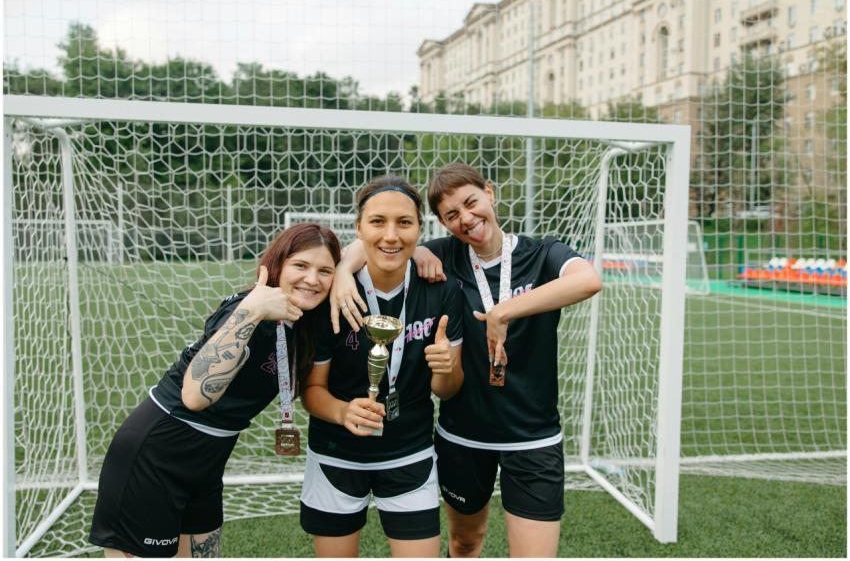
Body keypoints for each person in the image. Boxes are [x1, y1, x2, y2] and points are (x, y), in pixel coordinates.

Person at [332, 163, 603, 557]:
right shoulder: (446, 254)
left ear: (489, 193)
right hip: (463, 436)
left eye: (471, 203)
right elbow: (377, 241)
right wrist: (343, 270)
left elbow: (588, 280)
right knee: (465, 542)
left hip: (534, 437)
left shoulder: (543, 253)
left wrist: (502, 312)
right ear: (443, 224)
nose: (467, 219)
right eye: (452, 215)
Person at [88, 223, 341, 558]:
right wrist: (251, 311)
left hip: (207, 462)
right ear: (277, 265)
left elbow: (363, 250)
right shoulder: (247, 310)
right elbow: (194, 397)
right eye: (301, 266)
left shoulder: (305, 322)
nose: (312, 279)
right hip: (158, 454)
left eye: (325, 271)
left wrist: (346, 270)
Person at [299, 176, 464, 558]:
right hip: (336, 454)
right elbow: (312, 391)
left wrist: (445, 369)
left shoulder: (442, 289)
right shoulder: (331, 293)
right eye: (377, 222)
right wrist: (342, 412)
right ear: (359, 228)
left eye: (404, 222)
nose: (391, 235)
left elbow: (448, 389)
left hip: (410, 453)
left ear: (420, 229)